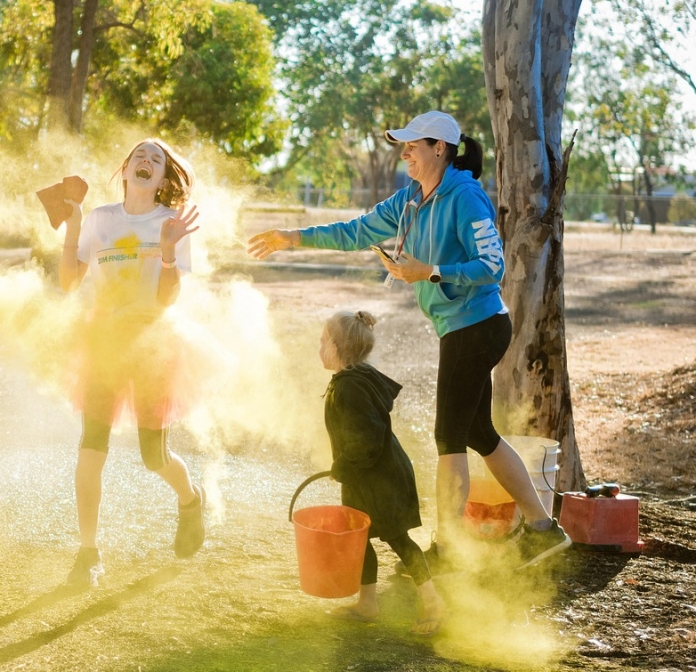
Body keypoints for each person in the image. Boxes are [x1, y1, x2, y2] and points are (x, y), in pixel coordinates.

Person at [248, 111, 571, 571]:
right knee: (479, 434)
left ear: (440, 148)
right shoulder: (409, 201)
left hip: (477, 327)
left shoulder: (465, 197)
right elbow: (355, 231)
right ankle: (543, 530)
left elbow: (493, 267)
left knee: (449, 439)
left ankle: (448, 550)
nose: (404, 153)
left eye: (412, 145)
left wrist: (430, 272)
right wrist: (292, 237)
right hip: (460, 329)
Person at [57, 139, 206, 587]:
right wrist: (72, 227)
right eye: (139, 156)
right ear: (125, 170)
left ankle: (189, 499)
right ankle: (88, 553)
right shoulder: (100, 219)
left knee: (152, 455)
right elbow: (68, 283)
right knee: (91, 447)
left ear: (162, 179)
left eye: (156, 160)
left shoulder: (171, 224)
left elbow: (166, 300)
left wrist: (166, 251)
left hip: (151, 345)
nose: (146, 161)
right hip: (103, 342)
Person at [319, 310, 445, 635]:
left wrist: (343, 465)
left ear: (338, 348)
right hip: (367, 478)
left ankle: (433, 602)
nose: (318, 349)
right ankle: (367, 603)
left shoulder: (350, 388)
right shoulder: (353, 379)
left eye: (323, 342)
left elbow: (368, 439)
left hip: (381, 479)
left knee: (398, 539)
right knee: (359, 538)